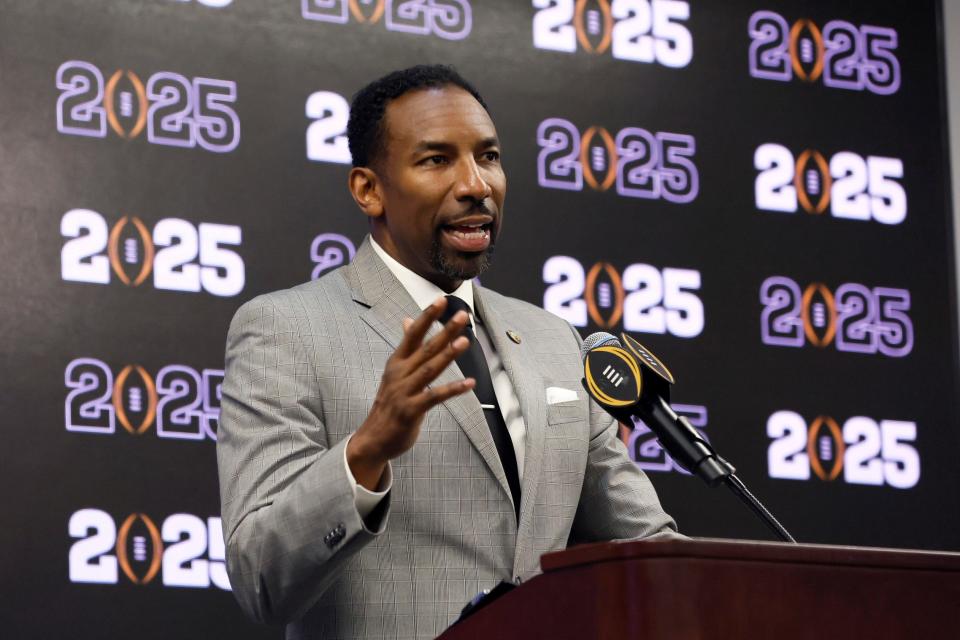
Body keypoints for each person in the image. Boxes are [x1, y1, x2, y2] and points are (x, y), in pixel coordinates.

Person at [217, 64, 678, 639]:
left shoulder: (553, 339)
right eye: (436, 160)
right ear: (369, 189)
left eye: (487, 157)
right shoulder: (286, 329)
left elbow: (649, 551)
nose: (476, 185)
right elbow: (260, 578)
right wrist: (366, 452)